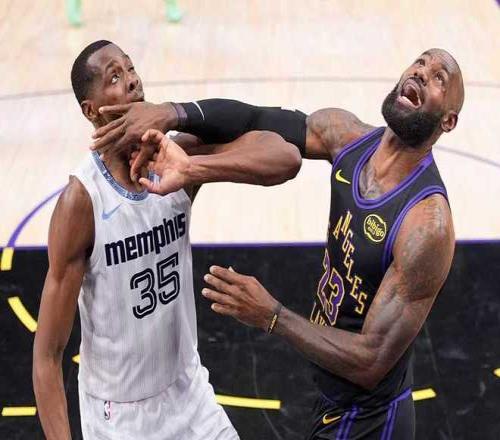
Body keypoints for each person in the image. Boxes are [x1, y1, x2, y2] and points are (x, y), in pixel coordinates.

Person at [93, 48, 464, 439]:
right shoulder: (348, 137)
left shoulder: (427, 225)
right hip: (332, 396)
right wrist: (172, 113)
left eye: (439, 78)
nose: (422, 72)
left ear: (448, 120)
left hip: (370, 419)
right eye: (420, 62)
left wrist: (272, 315)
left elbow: (371, 361)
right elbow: (254, 120)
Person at [32, 40, 301, 440]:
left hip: (189, 392)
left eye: (131, 68)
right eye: (114, 77)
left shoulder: (176, 158)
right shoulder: (82, 201)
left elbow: (285, 155)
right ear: (91, 110)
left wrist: (195, 167)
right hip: (121, 418)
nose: (132, 80)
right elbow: (47, 356)